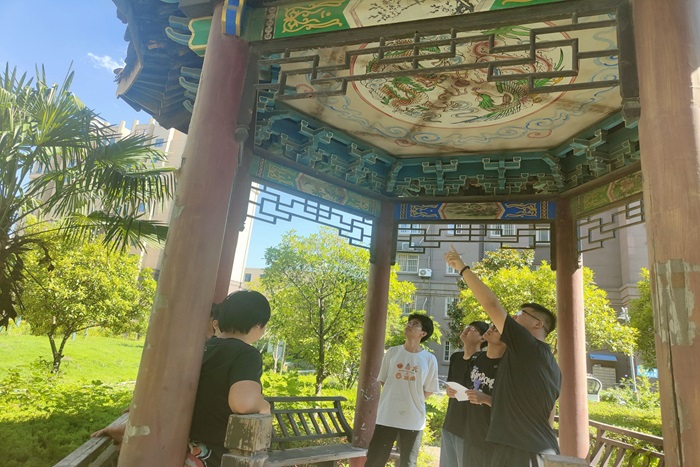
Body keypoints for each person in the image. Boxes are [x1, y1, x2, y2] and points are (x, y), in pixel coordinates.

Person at [91, 290, 271, 467]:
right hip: (211, 451)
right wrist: (263, 405)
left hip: (172, 441)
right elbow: (243, 403)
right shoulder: (246, 354)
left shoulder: (197, 348)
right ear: (258, 325)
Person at [445, 246, 561, 467]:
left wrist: (461, 267)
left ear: (538, 324)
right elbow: (548, 413)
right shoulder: (546, 362)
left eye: (519, 314)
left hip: (521, 450)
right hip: (529, 447)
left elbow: (491, 305)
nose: (513, 318)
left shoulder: (529, 346)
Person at [365, 313, 439, 467]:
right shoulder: (392, 352)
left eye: (415, 324)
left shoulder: (429, 359)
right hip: (387, 415)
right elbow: (384, 380)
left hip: (413, 418)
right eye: (409, 322)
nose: (409, 325)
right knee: (375, 460)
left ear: (423, 333)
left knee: (408, 463)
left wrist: (411, 399)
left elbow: (430, 389)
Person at [439, 320, 489, 467]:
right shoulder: (455, 357)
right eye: (468, 326)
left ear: (483, 338)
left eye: (474, 329)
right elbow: (450, 384)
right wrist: (449, 390)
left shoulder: (484, 360)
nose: (467, 329)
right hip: (451, 421)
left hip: (471, 427)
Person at [462, 324, 507, 467]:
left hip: (493, 439)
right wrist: (456, 391)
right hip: (471, 432)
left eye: (497, 329)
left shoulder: (508, 366)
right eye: (492, 326)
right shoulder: (476, 358)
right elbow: (469, 386)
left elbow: (513, 406)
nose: (491, 329)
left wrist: (486, 399)